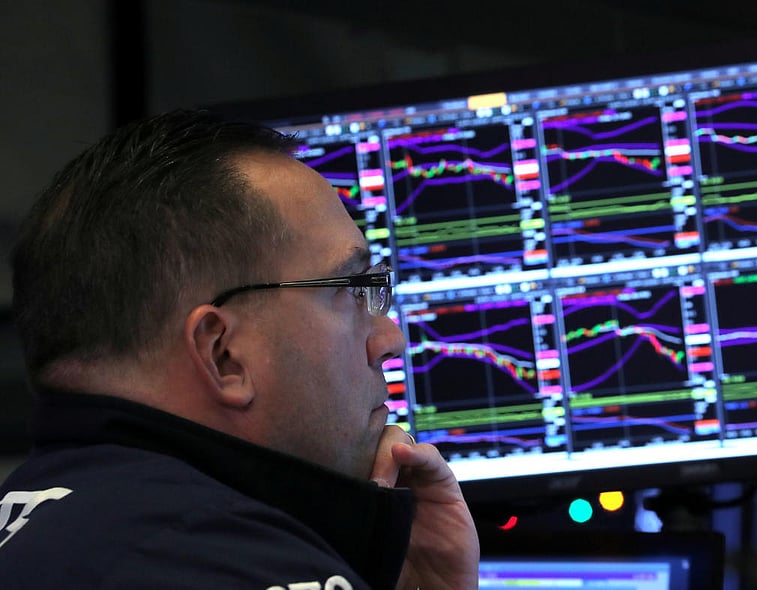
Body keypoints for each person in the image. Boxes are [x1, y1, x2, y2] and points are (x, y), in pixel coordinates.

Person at [0, 109, 479, 589]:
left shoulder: (44, 515)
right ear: (223, 353)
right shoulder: (231, 561)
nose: (389, 339)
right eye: (350, 288)